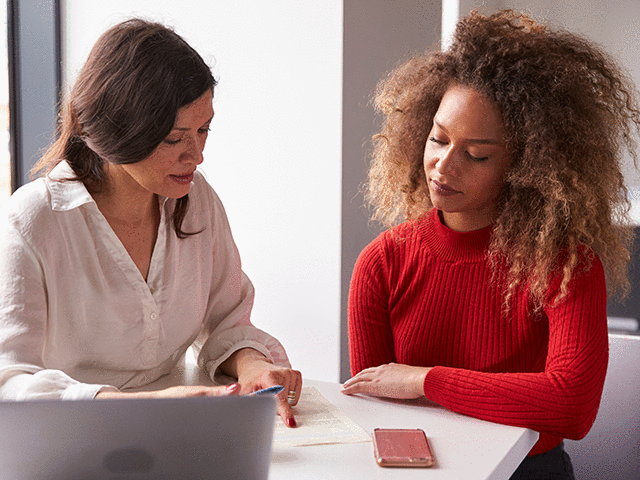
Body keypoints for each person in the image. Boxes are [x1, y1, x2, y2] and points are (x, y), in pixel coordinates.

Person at [341, 10, 640, 479]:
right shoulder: (383, 262)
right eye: (437, 139)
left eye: (477, 154)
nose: (443, 166)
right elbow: (379, 409)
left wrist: (424, 379)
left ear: (528, 163)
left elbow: (572, 406)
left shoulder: (565, 264)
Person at [0, 18, 301, 427]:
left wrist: (251, 366)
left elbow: (227, 318)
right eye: (175, 138)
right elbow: (9, 379)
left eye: (204, 129)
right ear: (119, 130)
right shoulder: (34, 220)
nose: (196, 155)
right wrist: (140, 406)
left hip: (181, 428)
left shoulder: (197, 201)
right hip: (71, 436)